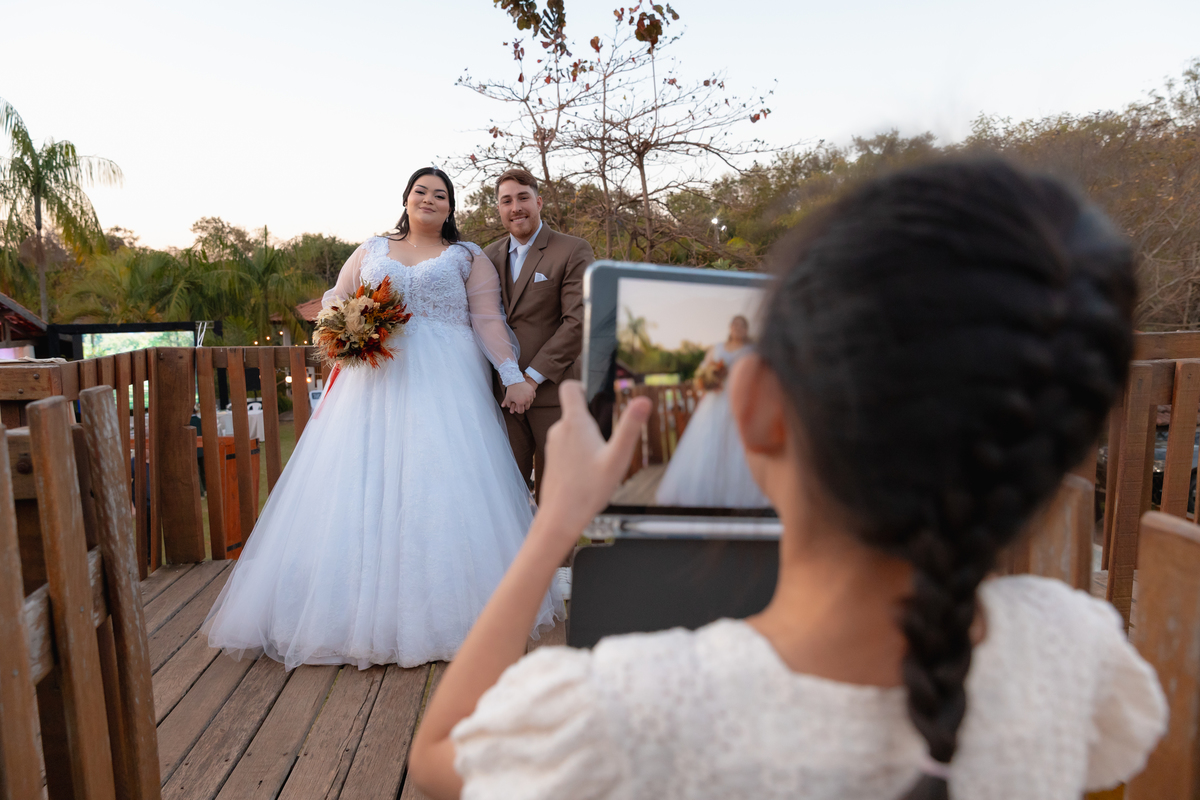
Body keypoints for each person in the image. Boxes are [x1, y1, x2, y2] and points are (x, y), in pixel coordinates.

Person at [407, 160, 1168, 799]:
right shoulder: (1077, 649)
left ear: (759, 407)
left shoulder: (633, 709)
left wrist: (554, 526)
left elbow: (440, 758)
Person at [202, 167, 564, 671]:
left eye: (441, 195)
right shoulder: (371, 249)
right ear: (406, 198)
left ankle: (443, 612)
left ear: (451, 207)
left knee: (438, 486)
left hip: (445, 386)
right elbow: (336, 298)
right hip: (373, 382)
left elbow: (486, 320)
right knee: (360, 483)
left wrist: (511, 375)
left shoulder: (467, 257)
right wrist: (346, 329)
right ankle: (345, 614)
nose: (429, 199)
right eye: (421, 191)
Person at [655, 315, 770, 507]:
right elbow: (702, 373)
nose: (738, 328)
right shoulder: (716, 348)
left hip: (741, 399)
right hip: (716, 401)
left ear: (747, 329)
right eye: (735, 325)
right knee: (710, 440)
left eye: (742, 325)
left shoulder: (752, 350)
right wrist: (709, 382)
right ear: (730, 327)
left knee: (738, 443)